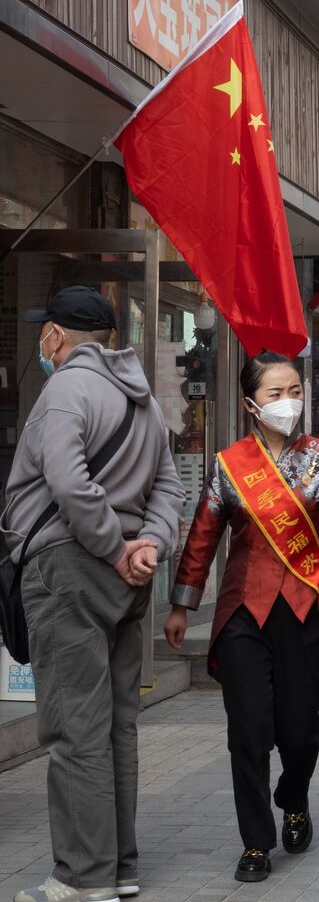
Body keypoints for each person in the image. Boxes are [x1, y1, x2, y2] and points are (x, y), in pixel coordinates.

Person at [2, 286, 185, 902]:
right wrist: (146, 547)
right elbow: (168, 488)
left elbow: (67, 481)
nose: (40, 343)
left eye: (43, 332)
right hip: (127, 578)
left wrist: (111, 546)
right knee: (115, 726)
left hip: (71, 569)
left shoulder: (64, 390)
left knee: (73, 727)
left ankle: (81, 878)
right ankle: (119, 867)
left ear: (56, 336)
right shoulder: (144, 399)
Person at [164, 352, 319, 884]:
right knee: (247, 730)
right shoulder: (230, 467)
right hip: (243, 612)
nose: (288, 401)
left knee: (300, 730)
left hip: (303, 609)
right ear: (252, 404)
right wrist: (182, 604)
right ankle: (255, 842)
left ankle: (293, 797)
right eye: (275, 393)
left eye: (294, 389)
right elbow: (202, 538)